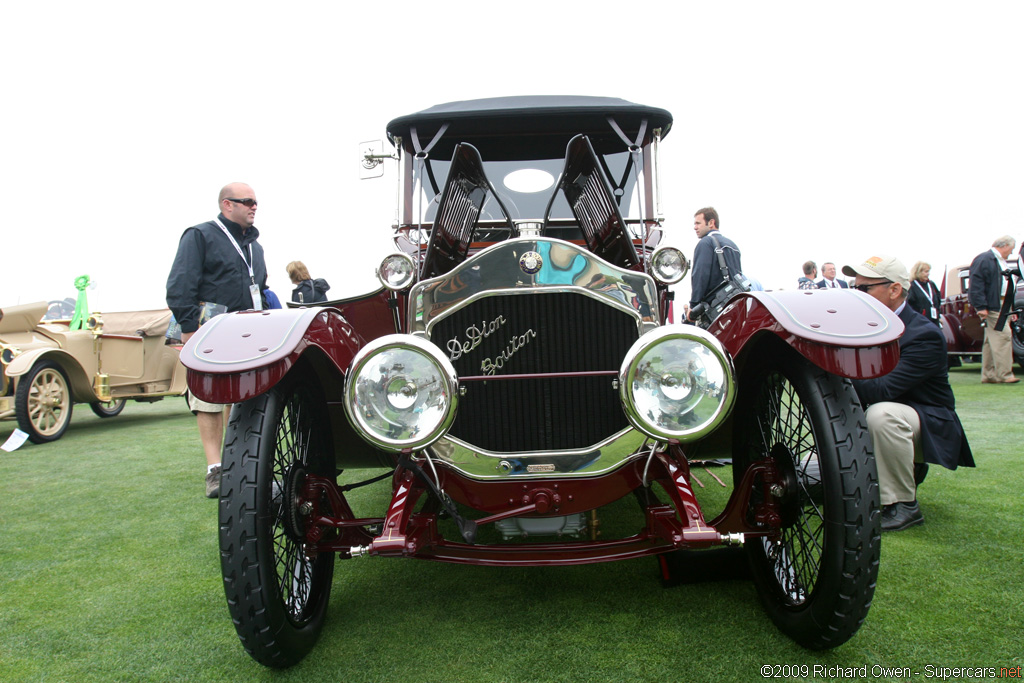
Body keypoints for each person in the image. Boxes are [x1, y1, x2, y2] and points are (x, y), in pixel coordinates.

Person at [843, 255, 974, 531]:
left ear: (894, 290)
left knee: (883, 414)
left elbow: (884, 389)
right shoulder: (858, 328)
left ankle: (903, 505)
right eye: (852, 287)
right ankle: (900, 472)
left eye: (864, 289)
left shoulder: (923, 334)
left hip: (927, 422)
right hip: (889, 421)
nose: (855, 295)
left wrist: (837, 372)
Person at [166, 182, 268, 498]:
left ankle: (236, 464)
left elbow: (261, 288)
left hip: (248, 330)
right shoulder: (200, 235)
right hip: (209, 329)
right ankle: (214, 470)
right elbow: (180, 285)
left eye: (255, 202)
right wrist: (188, 329)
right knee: (208, 399)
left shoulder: (256, 247)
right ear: (227, 204)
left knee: (242, 398)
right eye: (247, 201)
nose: (254, 206)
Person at [968, 236, 1019, 384]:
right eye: (1011, 249)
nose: (1011, 252)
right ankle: (1005, 374)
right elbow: (976, 284)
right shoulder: (985, 259)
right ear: (1004, 246)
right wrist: (981, 306)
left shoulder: (999, 261)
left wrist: (1012, 309)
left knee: (991, 341)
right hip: (993, 306)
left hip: (1004, 305)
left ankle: (989, 375)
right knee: (1003, 336)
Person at [684, 207, 742, 322]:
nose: (695, 227)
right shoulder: (733, 245)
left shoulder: (705, 243)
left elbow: (700, 275)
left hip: (714, 309)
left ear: (711, 223)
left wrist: (693, 305)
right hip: (734, 304)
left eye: (698, 223)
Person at [906, 261, 942, 326]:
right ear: (918, 272)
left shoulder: (931, 284)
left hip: (934, 319)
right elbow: (909, 304)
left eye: (928, 271)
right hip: (920, 321)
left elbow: (938, 300)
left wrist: (939, 316)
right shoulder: (912, 286)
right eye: (926, 272)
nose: (928, 274)